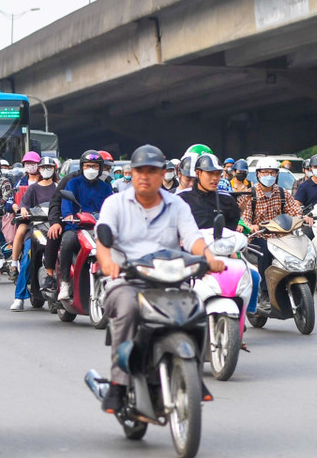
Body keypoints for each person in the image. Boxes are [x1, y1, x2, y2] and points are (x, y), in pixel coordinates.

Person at [93, 144, 223, 413]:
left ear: (163, 173)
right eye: (140, 170)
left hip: (171, 280)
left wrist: (209, 258)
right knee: (128, 309)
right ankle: (119, 384)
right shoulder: (114, 203)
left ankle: (194, 375)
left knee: (198, 309)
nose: (145, 176)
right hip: (128, 280)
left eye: (152, 171)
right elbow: (103, 239)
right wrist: (107, 263)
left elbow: (192, 238)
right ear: (131, 173)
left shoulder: (177, 204)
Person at [239, 157, 304, 311]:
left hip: (281, 237)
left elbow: (295, 211)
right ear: (258, 174)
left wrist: (302, 217)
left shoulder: (282, 193)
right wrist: (251, 226)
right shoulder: (250, 194)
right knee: (266, 251)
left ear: (277, 175)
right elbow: (244, 218)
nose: (268, 175)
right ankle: (265, 293)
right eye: (265, 172)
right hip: (258, 238)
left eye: (272, 172)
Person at [55, 150, 113, 301]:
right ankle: (66, 282)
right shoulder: (73, 183)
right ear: (82, 167)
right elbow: (66, 204)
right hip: (76, 227)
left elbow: (112, 207)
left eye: (94, 166)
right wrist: (69, 216)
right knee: (67, 243)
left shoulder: (106, 187)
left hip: (98, 229)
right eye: (87, 166)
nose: (91, 169)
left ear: (100, 168)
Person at [10, 156, 60, 311]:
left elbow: (65, 205)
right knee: (27, 258)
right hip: (36, 228)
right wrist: (23, 209)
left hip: (54, 228)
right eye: (43, 167)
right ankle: (19, 297)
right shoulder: (33, 189)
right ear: (40, 169)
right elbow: (23, 205)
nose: (46, 170)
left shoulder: (59, 187)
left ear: (54, 169)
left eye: (49, 167)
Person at [180, 153, 242, 230]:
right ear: (198, 173)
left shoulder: (227, 200)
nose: (215, 178)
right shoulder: (181, 199)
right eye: (210, 173)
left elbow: (232, 225)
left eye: (218, 173)